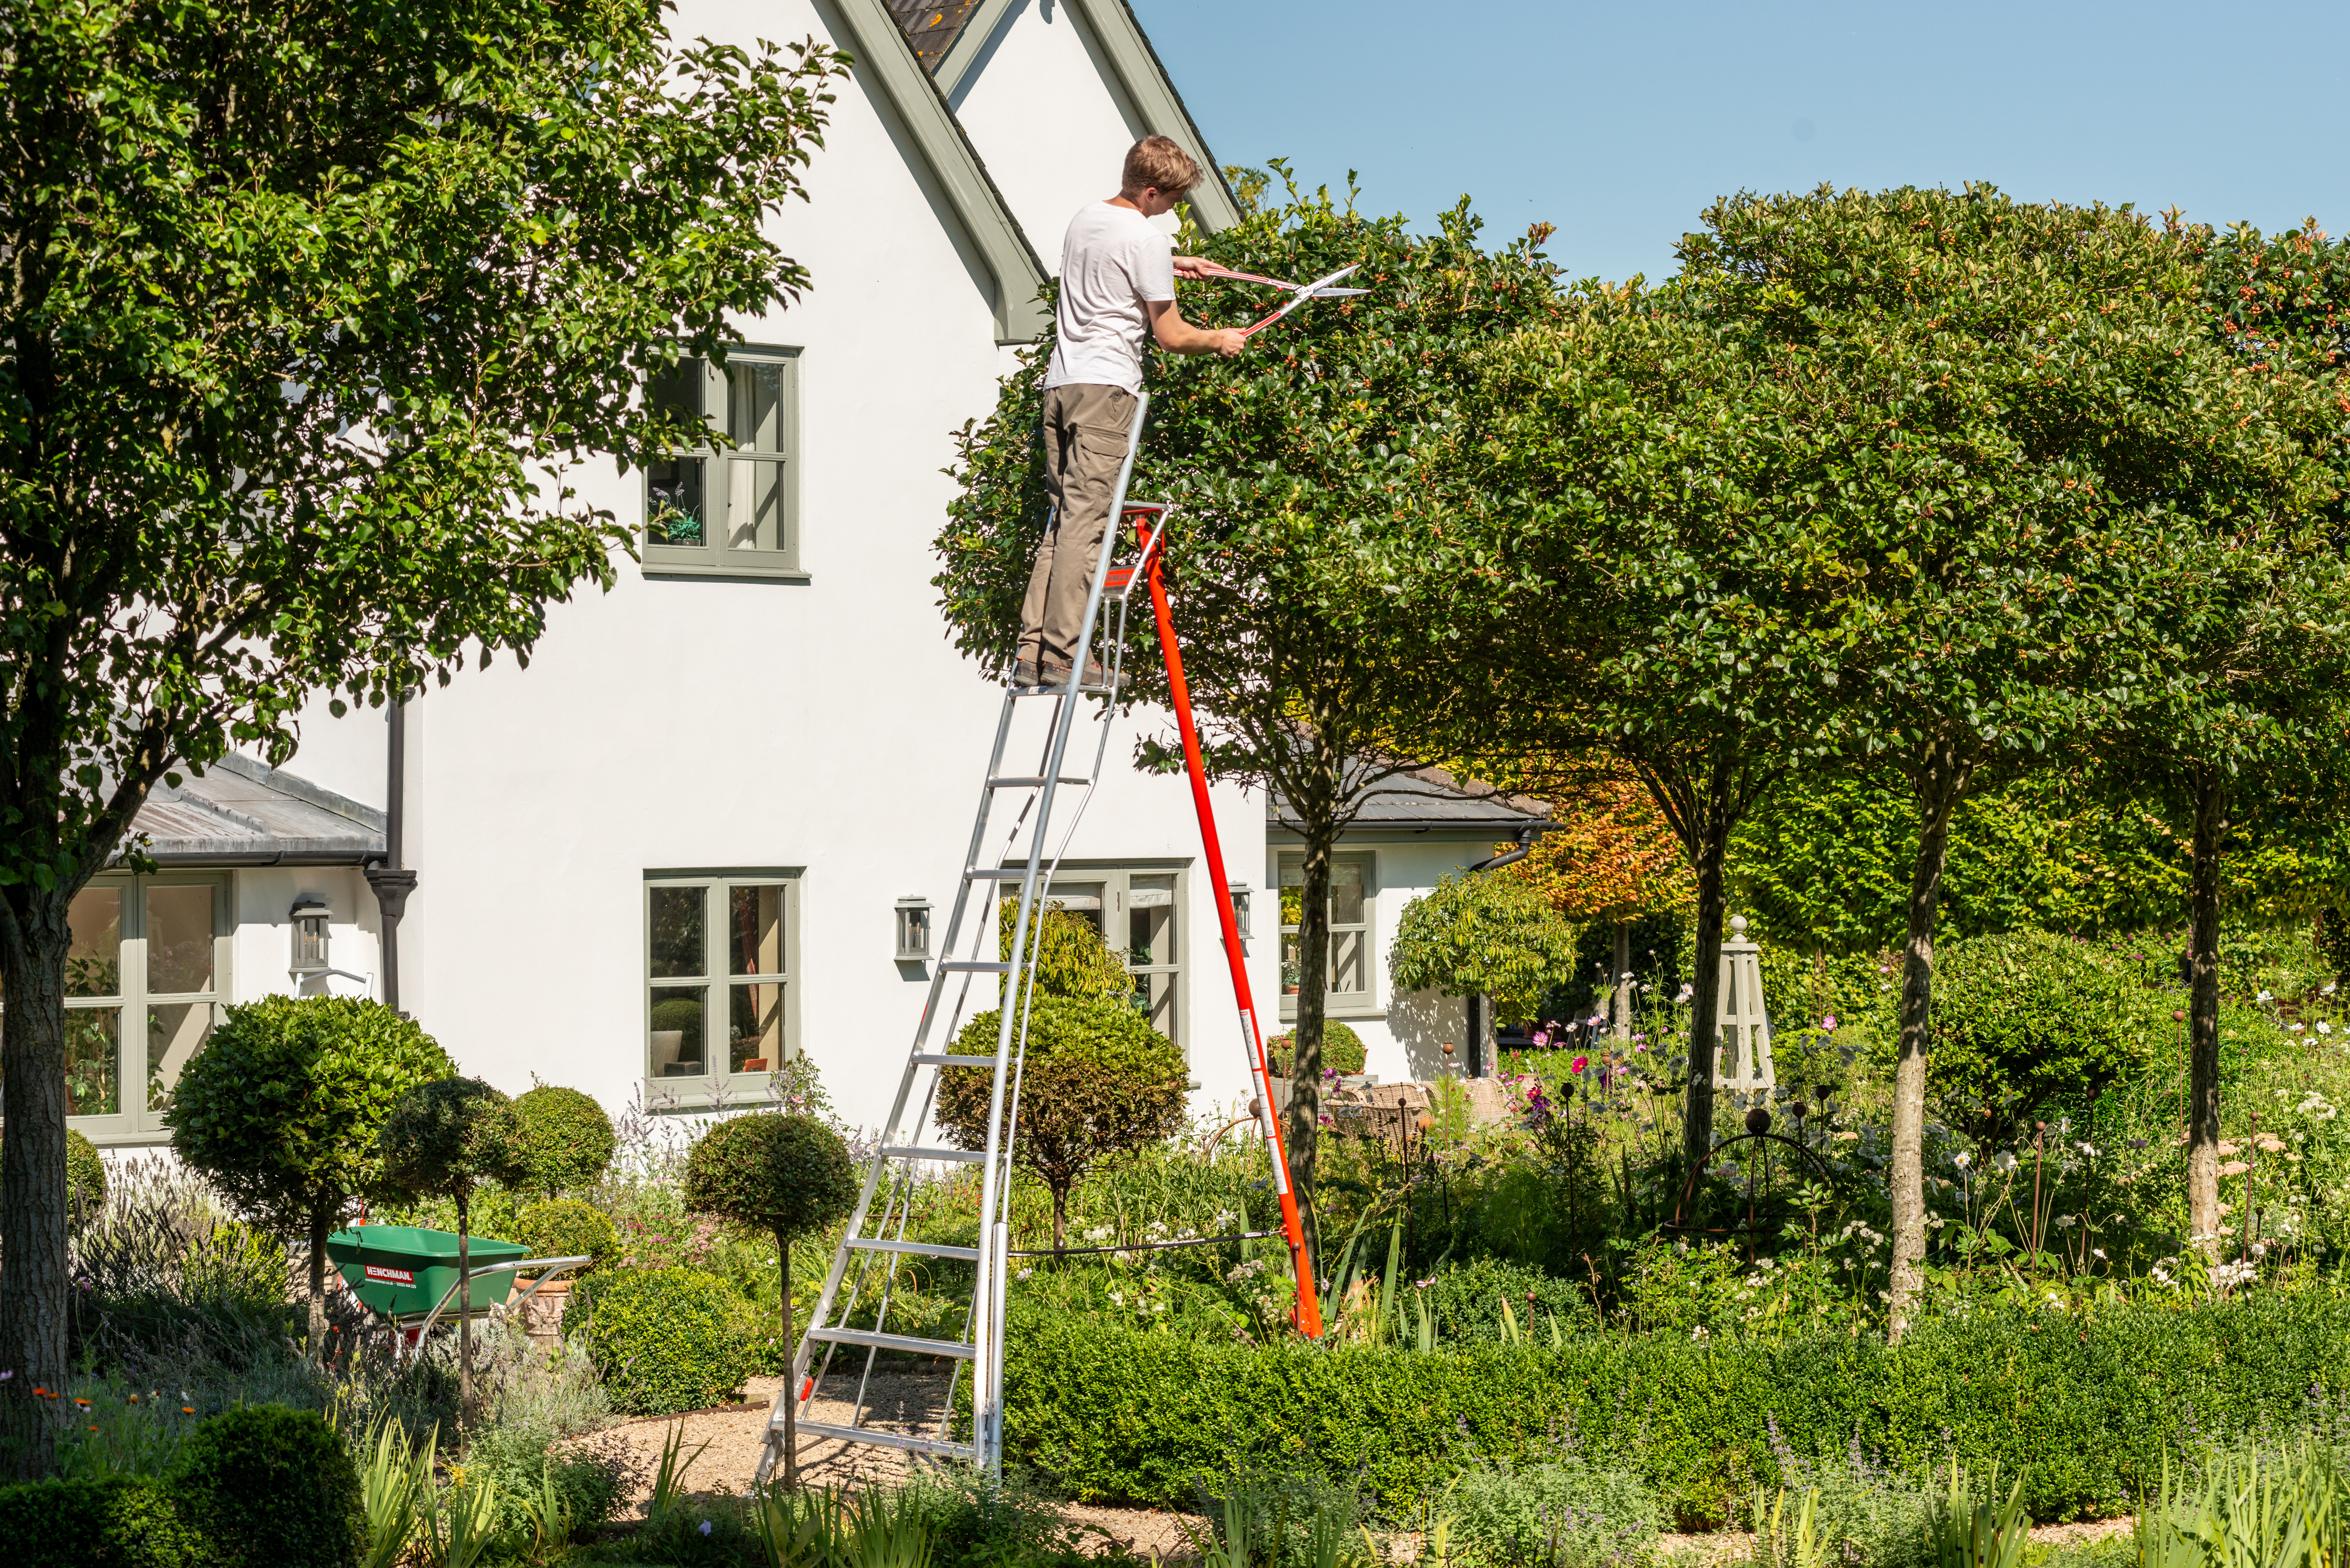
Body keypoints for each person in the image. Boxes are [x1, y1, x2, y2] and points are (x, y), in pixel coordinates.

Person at [1014, 136, 1246, 690]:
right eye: (1169, 200)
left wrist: (1173, 260)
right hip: (1106, 390)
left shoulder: (1086, 218)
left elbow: (1114, 257)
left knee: (1060, 522)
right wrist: (1219, 340)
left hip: (1061, 385)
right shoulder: (1144, 237)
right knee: (1087, 526)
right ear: (1149, 191)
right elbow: (1169, 336)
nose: (1172, 210)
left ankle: (1032, 650)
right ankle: (1066, 654)